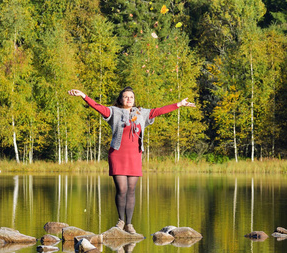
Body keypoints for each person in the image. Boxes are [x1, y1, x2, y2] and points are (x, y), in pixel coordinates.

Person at [68, 87, 195, 233]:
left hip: (135, 155)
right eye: (126, 97)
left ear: (134, 100)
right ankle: (120, 221)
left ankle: (129, 224)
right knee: (121, 189)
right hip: (117, 154)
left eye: (131, 97)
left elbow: (159, 110)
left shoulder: (141, 113)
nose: (129, 99)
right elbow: (98, 107)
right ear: (120, 99)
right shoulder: (113, 112)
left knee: (131, 190)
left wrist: (178, 104)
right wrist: (83, 95)